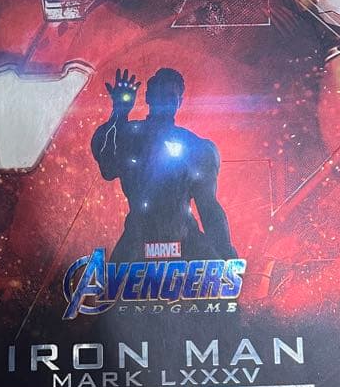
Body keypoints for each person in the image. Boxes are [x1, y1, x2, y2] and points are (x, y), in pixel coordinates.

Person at [91, 67, 236, 262]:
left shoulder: (196, 147)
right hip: (138, 242)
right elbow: (107, 168)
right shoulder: (129, 135)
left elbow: (209, 207)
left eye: (170, 96)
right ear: (148, 97)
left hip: (185, 242)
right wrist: (119, 113)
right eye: (160, 95)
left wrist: (227, 257)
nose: (165, 102)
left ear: (179, 102)